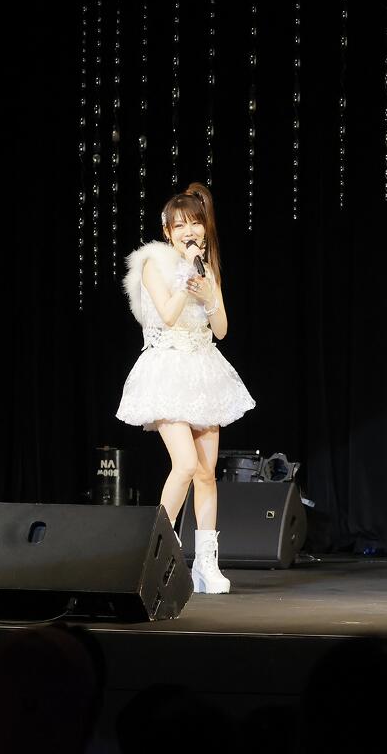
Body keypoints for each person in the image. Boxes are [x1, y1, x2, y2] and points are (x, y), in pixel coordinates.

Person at [116, 182, 255, 594]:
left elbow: (222, 329)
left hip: (203, 371)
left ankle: (206, 564)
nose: (188, 232)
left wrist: (210, 294)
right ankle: (159, 553)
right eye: (180, 226)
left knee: (207, 473)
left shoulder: (206, 268)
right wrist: (185, 277)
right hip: (167, 370)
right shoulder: (152, 264)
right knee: (185, 464)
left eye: (195, 224)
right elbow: (169, 315)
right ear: (167, 231)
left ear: (204, 227)